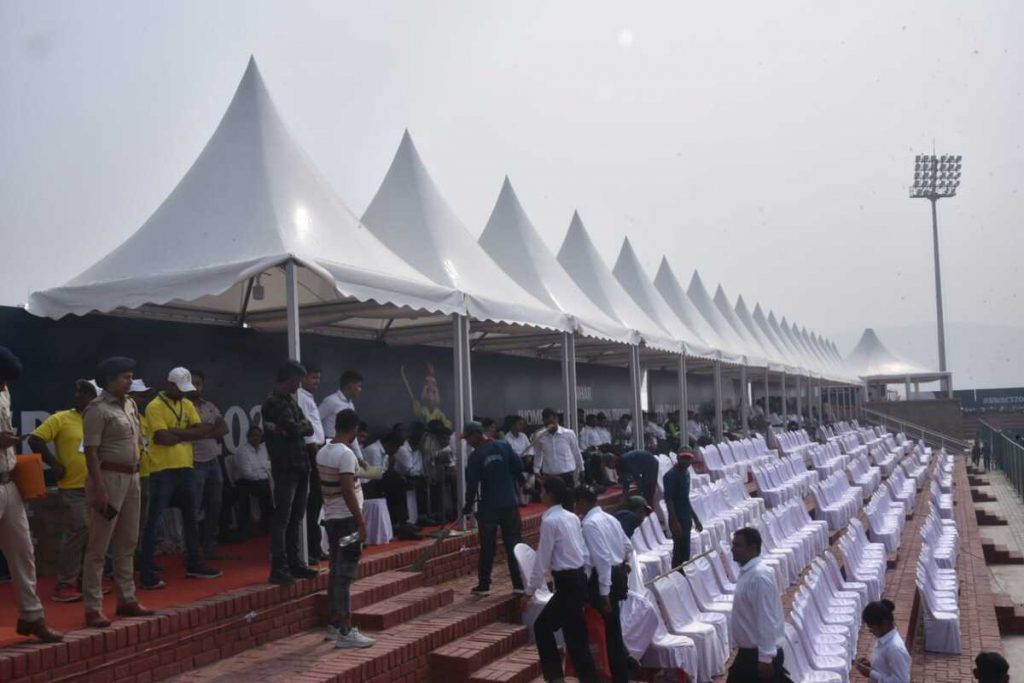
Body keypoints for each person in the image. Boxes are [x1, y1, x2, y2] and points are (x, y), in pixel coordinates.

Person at [81, 357, 155, 627]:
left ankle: (127, 599)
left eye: (130, 376)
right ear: (109, 380)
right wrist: (99, 488)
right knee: (99, 546)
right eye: (124, 376)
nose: (129, 381)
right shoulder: (96, 409)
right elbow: (90, 452)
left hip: (133, 475)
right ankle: (92, 606)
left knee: (128, 541)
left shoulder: (131, 404)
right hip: (109, 476)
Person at [0, 346, 63, 642]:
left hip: (7, 480)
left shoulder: (4, 390)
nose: (3, 385)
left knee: (24, 552)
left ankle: (32, 616)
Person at [140, 367, 224, 589]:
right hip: (161, 470)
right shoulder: (155, 406)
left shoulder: (186, 404)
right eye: (181, 388)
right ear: (170, 385)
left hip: (186, 466)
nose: (186, 393)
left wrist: (177, 432)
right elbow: (162, 438)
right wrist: (187, 433)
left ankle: (194, 563)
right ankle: (147, 571)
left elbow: (202, 430)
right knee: (153, 522)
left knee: (191, 519)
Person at [27, 379, 98, 602]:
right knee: (79, 530)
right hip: (72, 487)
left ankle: (85, 582)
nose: (79, 395)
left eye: (86, 392)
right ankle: (64, 585)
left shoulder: (99, 418)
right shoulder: (62, 417)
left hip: (97, 486)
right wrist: (53, 463)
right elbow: (35, 439)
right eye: (78, 391)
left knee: (94, 535)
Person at [527, 476, 597, 683]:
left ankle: (558, 677)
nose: (540, 495)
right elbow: (582, 551)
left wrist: (529, 591)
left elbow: (542, 558)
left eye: (542, 491)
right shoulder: (571, 517)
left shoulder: (550, 521)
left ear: (549, 494)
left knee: (570, 637)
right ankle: (560, 677)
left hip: (568, 583)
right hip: (576, 579)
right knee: (571, 635)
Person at [317, 409, 375, 649]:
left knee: (335, 572)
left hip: (332, 519)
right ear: (354, 431)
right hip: (346, 521)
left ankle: (334, 624)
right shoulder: (346, 454)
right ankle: (345, 629)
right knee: (345, 575)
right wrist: (361, 523)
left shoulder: (323, 451)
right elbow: (348, 490)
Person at [262, 360, 318, 585]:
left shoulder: (290, 402)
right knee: (283, 517)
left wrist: (294, 427)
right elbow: (295, 427)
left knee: (296, 517)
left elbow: (307, 427)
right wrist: (293, 427)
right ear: (290, 379)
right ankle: (280, 566)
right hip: (285, 465)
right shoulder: (273, 402)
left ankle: (295, 563)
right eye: (298, 380)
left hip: (301, 464)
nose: (300, 384)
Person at [575, 484, 632, 683]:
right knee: (613, 628)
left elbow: (602, 559)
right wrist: (625, 563)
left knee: (609, 632)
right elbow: (627, 546)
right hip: (616, 574)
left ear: (582, 502)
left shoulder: (590, 524)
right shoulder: (610, 518)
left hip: (605, 578)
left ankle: (618, 674)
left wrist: (603, 592)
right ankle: (621, 671)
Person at [461, 421, 524, 596]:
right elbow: (519, 467)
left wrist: (467, 506)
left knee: (487, 547)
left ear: (476, 434)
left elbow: (472, 485)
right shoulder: (504, 445)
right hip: (510, 503)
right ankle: (519, 584)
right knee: (514, 544)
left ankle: (484, 585)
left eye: (468, 438)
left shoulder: (476, 456)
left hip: (489, 506)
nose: (467, 441)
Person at [728, 527, 788, 682]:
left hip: (757, 656)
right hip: (750, 653)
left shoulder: (758, 577)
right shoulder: (749, 573)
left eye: (737, 545)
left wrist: (765, 658)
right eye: (733, 544)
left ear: (753, 548)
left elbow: (766, 618)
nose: (732, 549)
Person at [189, 370, 229, 560]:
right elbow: (187, 431)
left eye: (199, 383)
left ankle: (210, 547)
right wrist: (205, 429)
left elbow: (224, 428)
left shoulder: (209, 406)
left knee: (215, 506)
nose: (195, 387)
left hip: (213, 462)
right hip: (193, 463)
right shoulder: (181, 406)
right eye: (192, 383)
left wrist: (200, 431)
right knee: (194, 508)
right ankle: (193, 550)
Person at [297, 363, 327, 563]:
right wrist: (317, 457)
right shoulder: (300, 396)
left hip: (318, 450)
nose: (317, 382)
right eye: (313, 377)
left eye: (318, 377)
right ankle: (309, 549)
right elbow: (307, 431)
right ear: (302, 378)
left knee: (316, 503)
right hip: (311, 452)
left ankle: (315, 547)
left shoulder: (309, 397)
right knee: (311, 502)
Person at [662, 451, 703, 566]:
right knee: (679, 551)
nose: (686, 461)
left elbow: (685, 498)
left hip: (686, 517)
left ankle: (684, 575)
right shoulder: (671, 475)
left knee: (686, 550)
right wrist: (674, 521)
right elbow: (669, 500)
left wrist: (695, 518)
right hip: (677, 517)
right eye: (683, 458)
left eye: (688, 458)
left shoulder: (686, 473)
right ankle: (677, 575)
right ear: (678, 458)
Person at [854, 600, 910, 683]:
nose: (870, 631)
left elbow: (901, 681)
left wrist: (871, 673)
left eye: (872, 627)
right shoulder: (883, 639)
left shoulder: (895, 649)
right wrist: (871, 666)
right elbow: (885, 669)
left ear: (884, 624)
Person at [233, 426, 274, 539]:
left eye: (258, 436)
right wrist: (264, 475)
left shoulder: (264, 449)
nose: (256, 438)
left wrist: (265, 476)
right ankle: (247, 528)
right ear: (248, 437)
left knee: (271, 490)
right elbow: (247, 473)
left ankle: (267, 525)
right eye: (253, 435)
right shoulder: (243, 452)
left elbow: (268, 466)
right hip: (245, 482)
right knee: (264, 491)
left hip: (262, 480)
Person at [532, 407, 584, 494]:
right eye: (546, 423)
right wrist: (536, 469)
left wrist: (582, 468)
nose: (549, 426)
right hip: (549, 476)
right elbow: (538, 454)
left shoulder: (569, 434)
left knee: (568, 502)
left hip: (566, 475)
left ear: (557, 419)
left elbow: (576, 452)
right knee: (553, 503)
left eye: (551, 422)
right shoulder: (540, 436)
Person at [318, 370, 364, 459]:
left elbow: (352, 434)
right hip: (329, 446)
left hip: (343, 448)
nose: (360, 390)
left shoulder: (350, 405)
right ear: (349, 386)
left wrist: (360, 458)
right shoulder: (331, 401)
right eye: (358, 386)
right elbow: (315, 421)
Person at [503, 415, 534, 505]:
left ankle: (535, 490)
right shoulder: (507, 438)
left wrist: (529, 456)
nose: (521, 426)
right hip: (514, 461)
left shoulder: (523, 436)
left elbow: (530, 448)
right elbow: (509, 454)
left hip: (525, 459)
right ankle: (525, 485)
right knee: (515, 468)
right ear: (513, 425)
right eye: (519, 424)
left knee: (536, 467)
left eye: (522, 424)